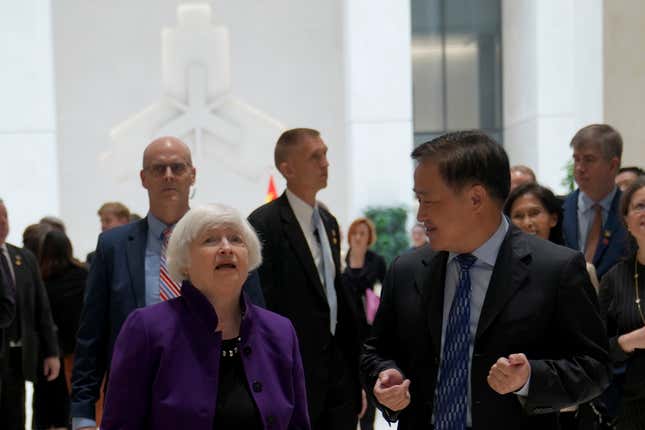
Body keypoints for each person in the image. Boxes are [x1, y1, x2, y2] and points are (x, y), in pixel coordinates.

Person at [361, 130, 610, 429]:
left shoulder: (555, 269)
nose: (421, 215)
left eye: (428, 201)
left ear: (475, 198)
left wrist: (529, 378)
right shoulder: (407, 269)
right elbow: (376, 352)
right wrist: (385, 377)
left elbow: (594, 368)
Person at [71, 137, 265, 430]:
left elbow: (255, 320)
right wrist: (83, 413)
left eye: (177, 167)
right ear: (143, 178)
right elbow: (92, 335)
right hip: (135, 395)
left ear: (193, 174)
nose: (169, 176)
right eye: (158, 168)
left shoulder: (228, 242)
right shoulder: (113, 246)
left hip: (215, 392)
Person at [101, 204, 310, 429]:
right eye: (210, 240)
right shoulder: (146, 329)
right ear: (185, 262)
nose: (226, 248)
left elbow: (298, 424)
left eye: (236, 239)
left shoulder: (280, 331)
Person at [248, 128, 362, 429]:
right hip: (291, 371)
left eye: (325, 154)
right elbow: (260, 305)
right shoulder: (263, 224)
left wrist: (355, 376)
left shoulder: (328, 222)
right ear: (287, 169)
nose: (326, 163)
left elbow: (333, 293)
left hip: (338, 373)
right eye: (315, 156)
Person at [0, 199, 60, 430]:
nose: (3, 222)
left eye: (5, 215)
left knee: (15, 416)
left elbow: (41, 309)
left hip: (19, 355)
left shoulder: (23, 258)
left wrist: (51, 352)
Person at [599, 177, 645, 429]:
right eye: (640, 206)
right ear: (626, 221)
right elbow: (591, 352)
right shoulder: (614, 280)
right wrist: (628, 342)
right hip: (631, 412)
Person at [33, 230, 88, 430]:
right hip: (78, 352)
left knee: (46, 408)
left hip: (49, 352)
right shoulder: (84, 275)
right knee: (73, 408)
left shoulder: (41, 281)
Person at [562, 124, 630, 278]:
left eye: (589, 160)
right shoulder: (560, 209)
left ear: (613, 165)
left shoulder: (630, 211)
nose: (579, 168)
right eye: (576, 159)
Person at [341, 217, 386, 430]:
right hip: (346, 333)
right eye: (355, 233)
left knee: (369, 385)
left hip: (370, 333)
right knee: (348, 389)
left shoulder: (377, 262)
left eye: (363, 233)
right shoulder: (341, 260)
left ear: (369, 238)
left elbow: (385, 294)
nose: (358, 237)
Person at [86, 202, 131, 266]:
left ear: (124, 221)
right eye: (102, 221)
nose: (103, 226)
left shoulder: (140, 251)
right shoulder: (93, 257)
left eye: (108, 221)